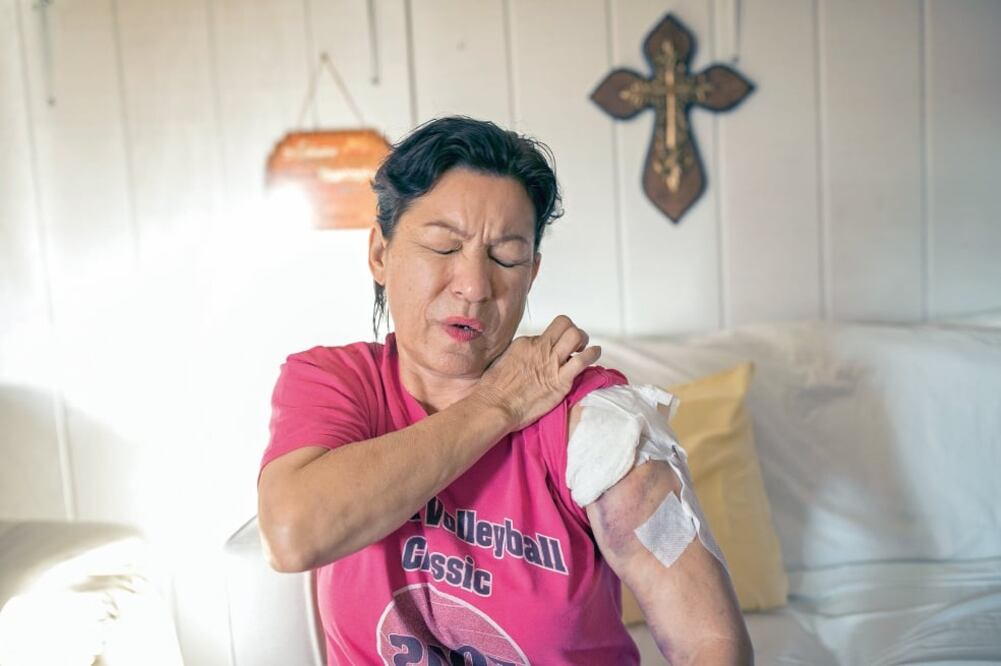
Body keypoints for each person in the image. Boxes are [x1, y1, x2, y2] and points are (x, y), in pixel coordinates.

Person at [258, 116, 751, 665]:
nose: (473, 286)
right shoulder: (336, 385)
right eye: (444, 247)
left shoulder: (593, 421)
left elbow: (711, 644)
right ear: (380, 254)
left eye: (505, 257)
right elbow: (291, 534)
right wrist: (499, 404)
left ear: (531, 274)